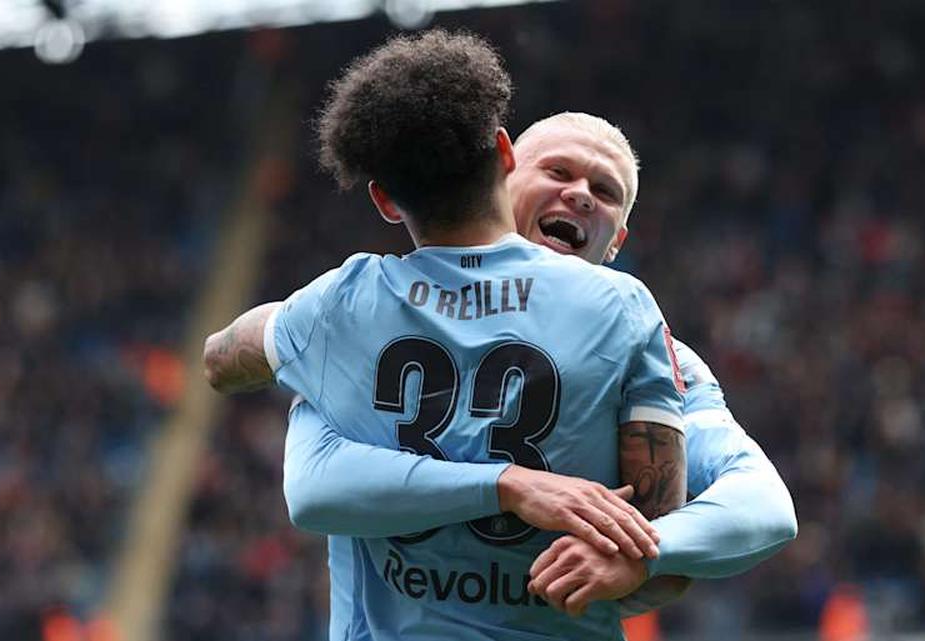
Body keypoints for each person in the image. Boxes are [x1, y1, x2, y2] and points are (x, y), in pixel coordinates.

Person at [205, 30, 689, 640]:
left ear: (384, 200)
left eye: (602, 189)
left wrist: (285, 334)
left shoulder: (342, 307)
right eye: (560, 171)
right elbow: (663, 548)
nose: (579, 194)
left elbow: (219, 359)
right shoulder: (623, 308)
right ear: (505, 154)